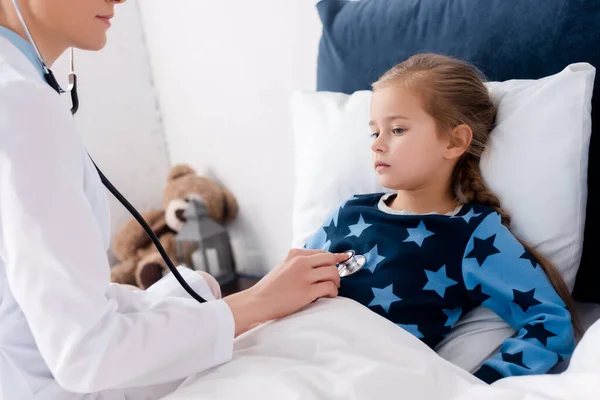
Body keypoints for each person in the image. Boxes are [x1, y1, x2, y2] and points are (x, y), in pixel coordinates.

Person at [0, 1, 347, 399]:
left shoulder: (17, 90)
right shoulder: (20, 106)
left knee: (199, 285)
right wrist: (257, 303)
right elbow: (86, 354)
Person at [304, 53, 579, 384]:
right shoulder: (348, 213)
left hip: (362, 377)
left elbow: (549, 322)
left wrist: (486, 383)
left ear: (454, 141)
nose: (377, 144)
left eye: (397, 129)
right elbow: (290, 282)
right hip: (298, 348)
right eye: (374, 132)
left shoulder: (469, 234)